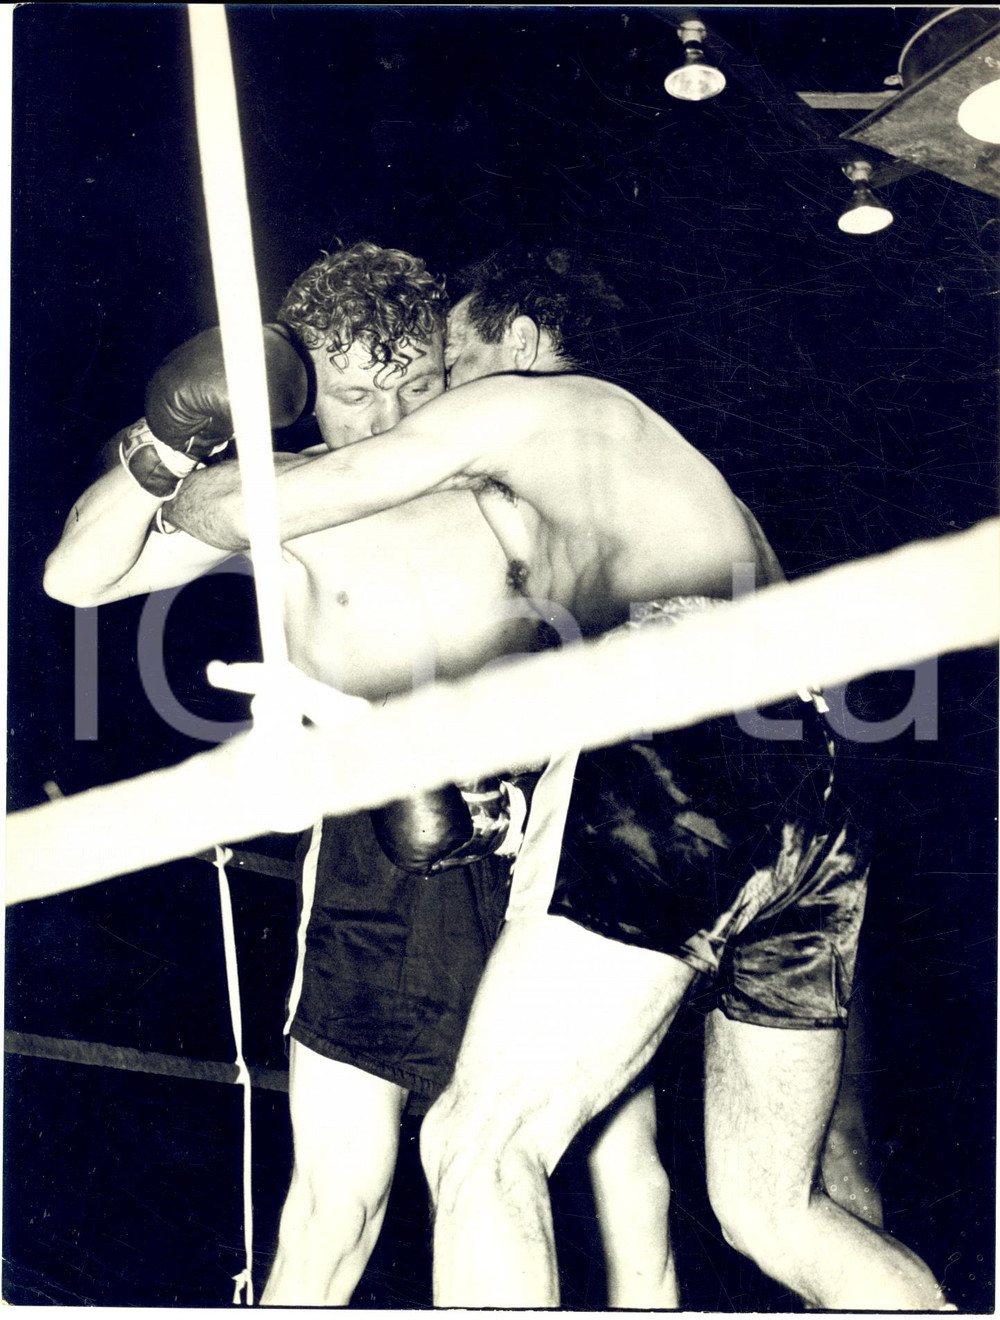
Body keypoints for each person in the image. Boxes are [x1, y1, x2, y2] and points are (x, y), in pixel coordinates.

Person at [155, 245, 953, 1311]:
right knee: (775, 1211)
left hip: (681, 735)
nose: (425, 392)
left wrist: (178, 453)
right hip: (803, 785)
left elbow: (273, 501)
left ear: (519, 345)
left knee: (481, 1140)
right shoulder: (641, 461)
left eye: (449, 358)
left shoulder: (531, 405)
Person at [42, 241, 678, 1308]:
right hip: (373, 857)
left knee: (621, 1171)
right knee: (339, 1193)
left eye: (415, 386)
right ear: (303, 398)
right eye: (351, 394)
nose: (386, 424)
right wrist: (170, 437)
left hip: (542, 830)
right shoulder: (278, 495)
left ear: (450, 371)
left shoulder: (504, 479)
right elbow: (77, 578)